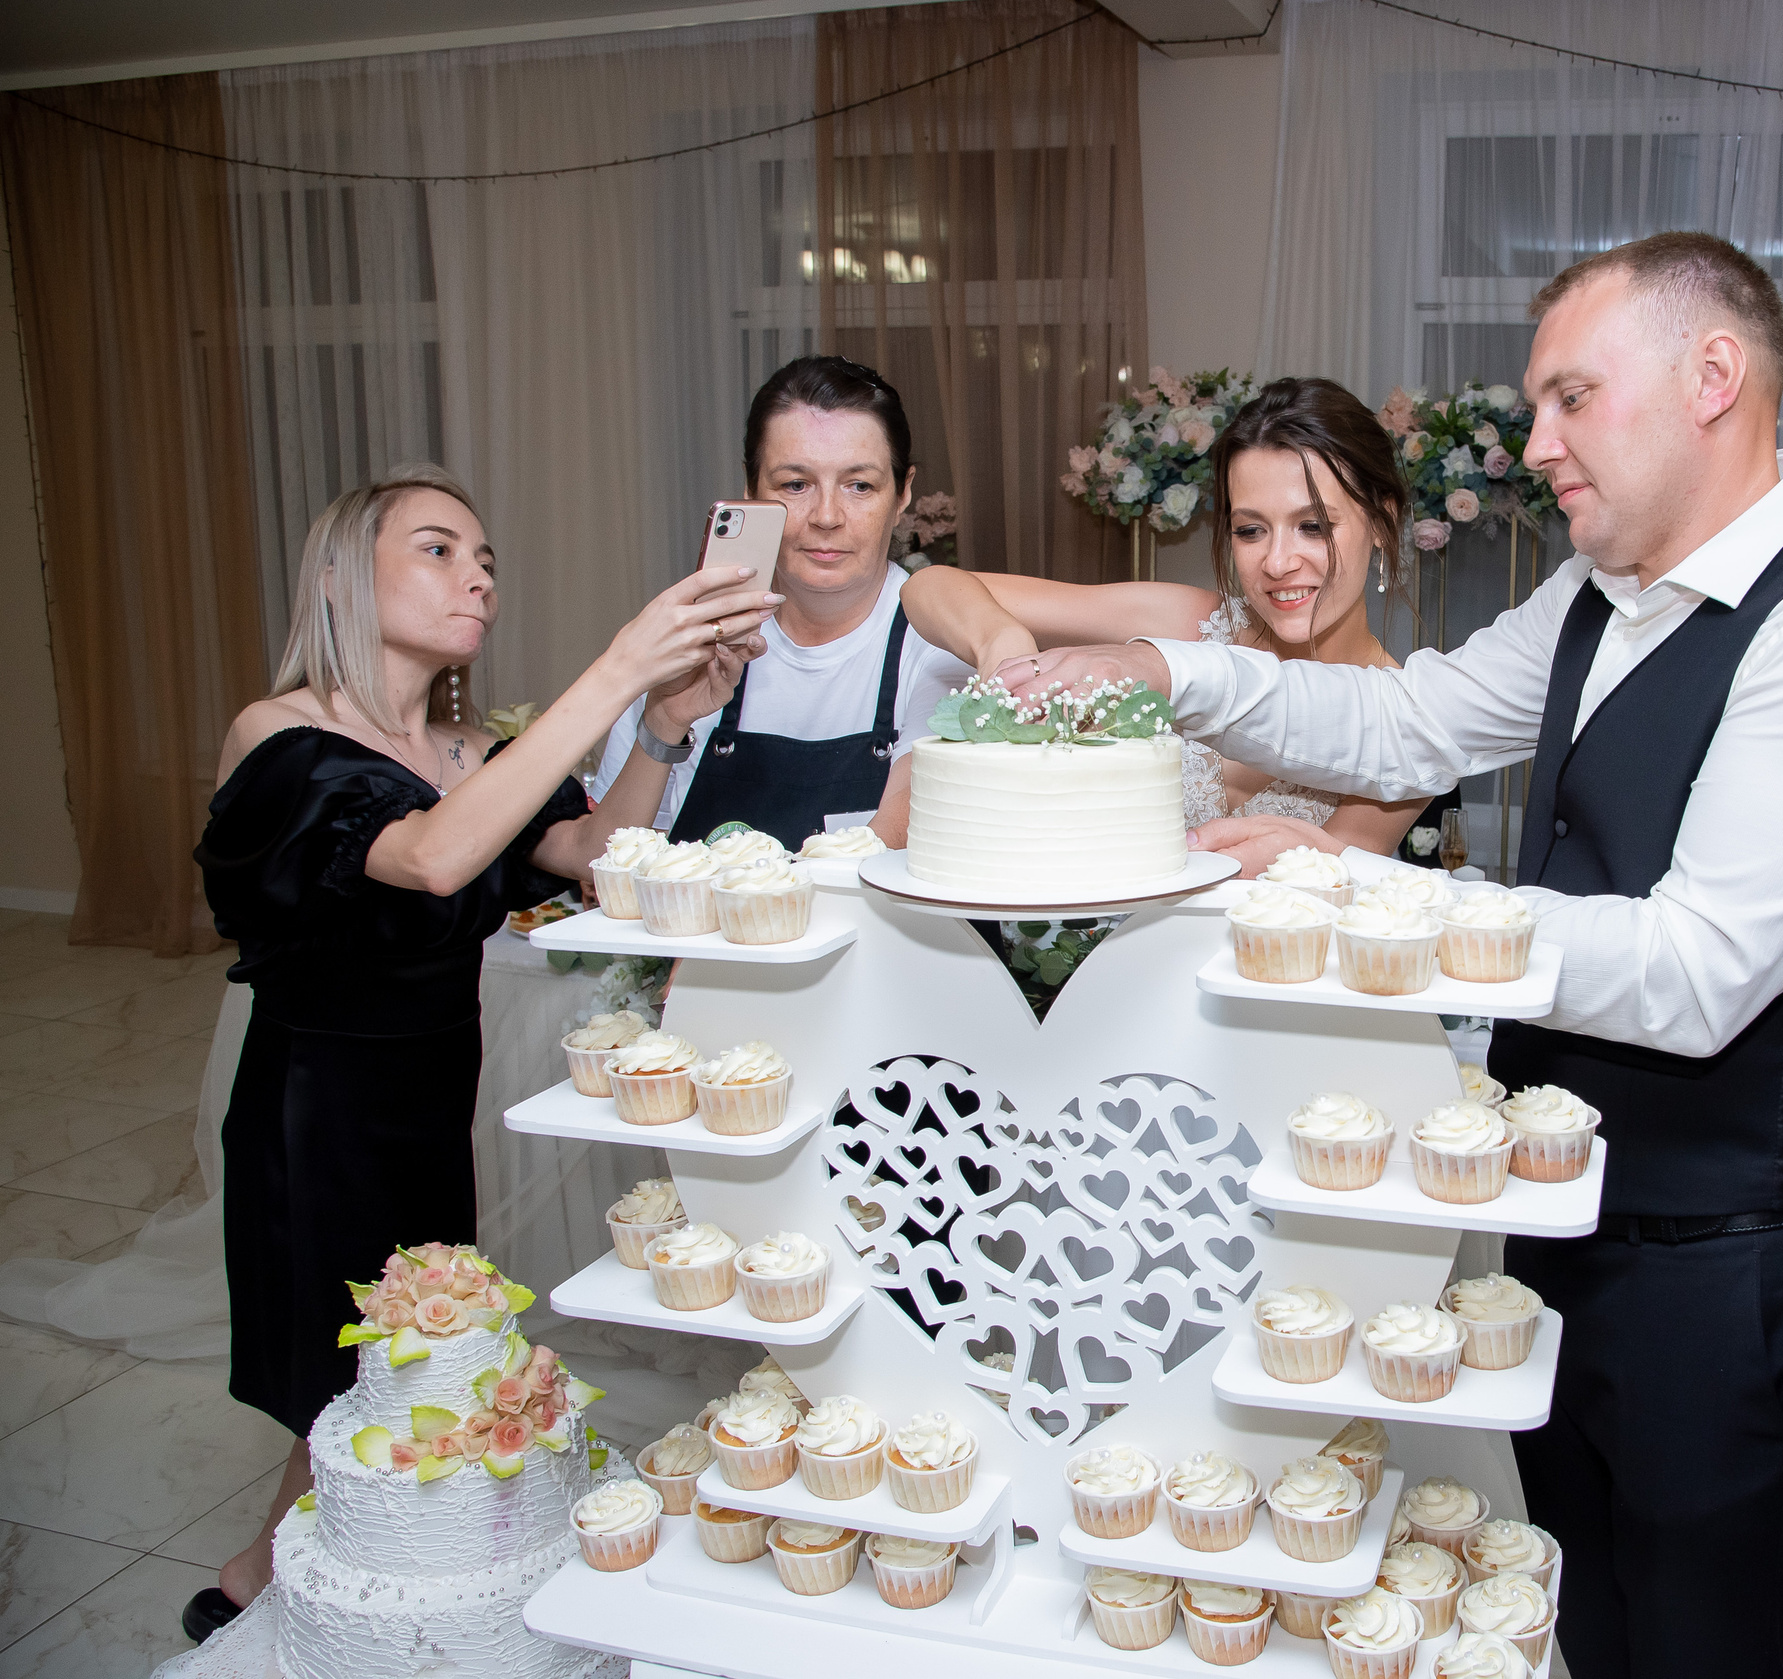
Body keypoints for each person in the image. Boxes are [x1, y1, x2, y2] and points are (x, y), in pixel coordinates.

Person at [999, 233, 1783, 1677]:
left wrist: (1370, 901)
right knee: (1585, 1618)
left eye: (1572, 397)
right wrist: (1173, 670)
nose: (1539, 442)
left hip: (1736, 1261)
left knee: (1702, 1639)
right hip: (1570, 1227)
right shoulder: (1602, 589)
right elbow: (1409, 725)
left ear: (1714, 378)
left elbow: (1697, 969)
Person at [188, 464, 776, 1640]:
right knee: (361, 1372)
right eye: (439, 549)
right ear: (347, 574)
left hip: (427, 1110)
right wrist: (614, 665)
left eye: (487, 557)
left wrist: (662, 721)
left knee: (413, 1359)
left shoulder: (469, 748)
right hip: (318, 1112)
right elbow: (435, 858)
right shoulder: (280, 732)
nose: (479, 576)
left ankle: (273, 1570)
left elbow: (595, 849)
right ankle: (292, 1586)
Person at [899, 375, 1427, 878]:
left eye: (1312, 526)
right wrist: (1003, 642)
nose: (1277, 562)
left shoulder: (1410, 722)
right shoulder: (1187, 627)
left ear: (1382, 522)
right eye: (1250, 530)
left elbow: (1315, 891)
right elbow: (928, 587)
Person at [592, 356, 972, 849]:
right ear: (751, 490)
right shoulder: (684, 640)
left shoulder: (939, 645)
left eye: (860, 485)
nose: (827, 516)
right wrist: (664, 719)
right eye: (796, 484)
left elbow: (918, 835)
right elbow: (612, 859)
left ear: (902, 494)